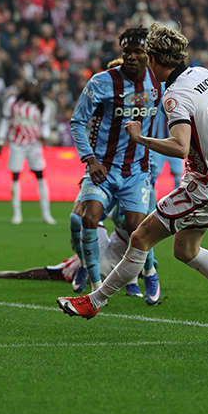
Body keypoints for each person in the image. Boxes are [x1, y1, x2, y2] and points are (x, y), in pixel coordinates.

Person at [58, 22, 208, 339]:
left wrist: (140, 138)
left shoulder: (174, 96)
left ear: (155, 59)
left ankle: (94, 301)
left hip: (204, 184)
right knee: (185, 250)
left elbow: (180, 147)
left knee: (141, 237)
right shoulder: (203, 74)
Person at [69, 28, 162, 302]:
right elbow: (77, 122)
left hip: (137, 170)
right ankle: (95, 285)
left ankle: (150, 273)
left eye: (137, 52)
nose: (130, 57)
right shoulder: (102, 82)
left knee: (137, 227)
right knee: (87, 217)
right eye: (126, 52)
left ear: (149, 55)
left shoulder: (159, 82)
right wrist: (91, 160)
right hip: (103, 168)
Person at [0, 216, 143, 296]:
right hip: (115, 262)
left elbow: (36, 273)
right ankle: (144, 273)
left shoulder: (66, 269)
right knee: (134, 230)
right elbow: (37, 273)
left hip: (103, 259)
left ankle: (143, 274)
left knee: (92, 220)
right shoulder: (66, 270)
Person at [0, 79, 56, 225]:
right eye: (29, 87)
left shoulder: (42, 106)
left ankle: (46, 213)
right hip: (16, 143)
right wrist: (0, 139)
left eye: (34, 88)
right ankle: (17, 214)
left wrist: (45, 136)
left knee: (40, 175)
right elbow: (5, 121)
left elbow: (44, 125)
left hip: (34, 144)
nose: (31, 90)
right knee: (15, 176)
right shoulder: (13, 103)